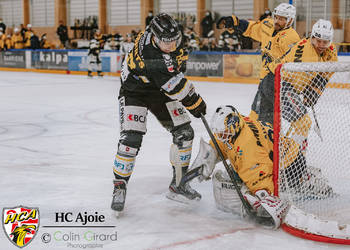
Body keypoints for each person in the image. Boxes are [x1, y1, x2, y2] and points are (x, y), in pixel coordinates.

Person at [111, 13, 207, 216]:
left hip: (160, 90)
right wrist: (195, 102)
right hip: (135, 92)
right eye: (166, 42)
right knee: (131, 140)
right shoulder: (151, 53)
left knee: (185, 133)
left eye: (175, 40)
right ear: (154, 37)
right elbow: (173, 85)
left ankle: (178, 184)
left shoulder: (169, 39)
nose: (172, 45)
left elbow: (176, 72)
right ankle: (119, 186)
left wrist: (187, 92)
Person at [188, 105, 333, 229]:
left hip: (290, 165)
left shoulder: (248, 148)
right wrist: (209, 156)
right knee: (240, 170)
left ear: (234, 126)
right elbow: (223, 143)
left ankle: (303, 179)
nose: (220, 136)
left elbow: (258, 176)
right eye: (218, 133)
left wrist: (261, 194)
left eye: (223, 133)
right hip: (284, 153)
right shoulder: (239, 123)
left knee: (249, 183)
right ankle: (302, 176)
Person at [217, 3, 300, 125]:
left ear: (290, 20)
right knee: (257, 118)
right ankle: (267, 141)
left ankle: (291, 141)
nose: (277, 21)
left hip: (280, 85)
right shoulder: (268, 25)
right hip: (265, 83)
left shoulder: (291, 38)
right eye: (276, 17)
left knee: (295, 119)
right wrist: (236, 23)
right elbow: (252, 29)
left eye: (281, 19)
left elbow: (291, 63)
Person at [266, 19, 337, 154]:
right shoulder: (307, 56)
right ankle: (293, 162)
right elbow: (298, 85)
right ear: (312, 37)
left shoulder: (328, 48)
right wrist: (313, 92)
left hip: (285, 81)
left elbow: (327, 69)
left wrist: (315, 90)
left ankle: (294, 157)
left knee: (302, 123)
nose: (321, 45)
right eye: (318, 41)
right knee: (302, 123)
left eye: (325, 42)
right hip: (277, 83)